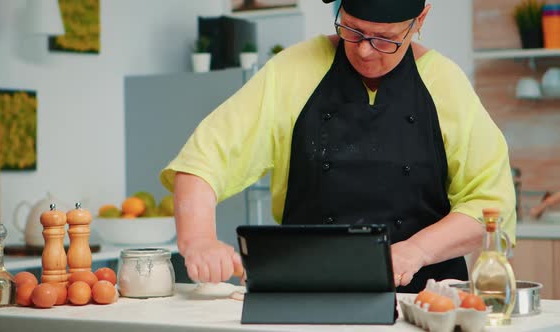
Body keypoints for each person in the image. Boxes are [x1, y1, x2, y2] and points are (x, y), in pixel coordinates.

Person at [160, 0, 516, 293]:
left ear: (419, 19)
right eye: (352, 29)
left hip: (427, 299)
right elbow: (203, 160)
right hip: (306, 292)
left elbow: (491, 204)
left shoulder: (445, 83)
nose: (363, 50)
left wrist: (416, 250)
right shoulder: (292, 71)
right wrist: (199, 239)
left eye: (384, 39)